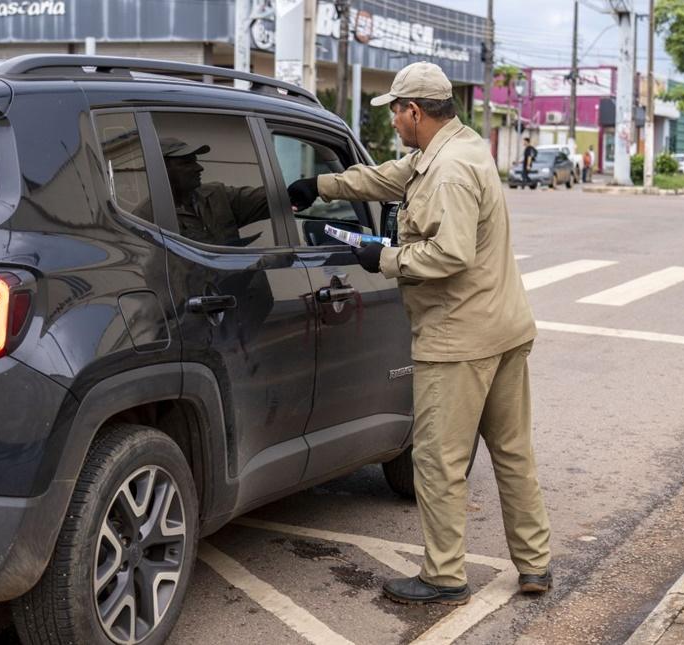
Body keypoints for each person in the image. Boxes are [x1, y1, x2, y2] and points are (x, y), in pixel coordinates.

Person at [287, 62, 552, 606]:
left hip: (459, 337)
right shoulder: (462, 148)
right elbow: (390, 176)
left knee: (437, 462)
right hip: (502, 326)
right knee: (513, 453)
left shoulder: (449, 172)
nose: (395, 125)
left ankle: (445, 575)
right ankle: (534, 566)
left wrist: (380, 256)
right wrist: (319, 185)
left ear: (414, 111)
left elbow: (449, 254)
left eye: (397, 114)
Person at [160, 139, 271, 247]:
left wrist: (287, 192)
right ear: (162, 169)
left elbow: (269, 199)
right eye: (187, 163)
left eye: (195, 161)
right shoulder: (150, 214)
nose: (199, 168)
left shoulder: (218, 195)